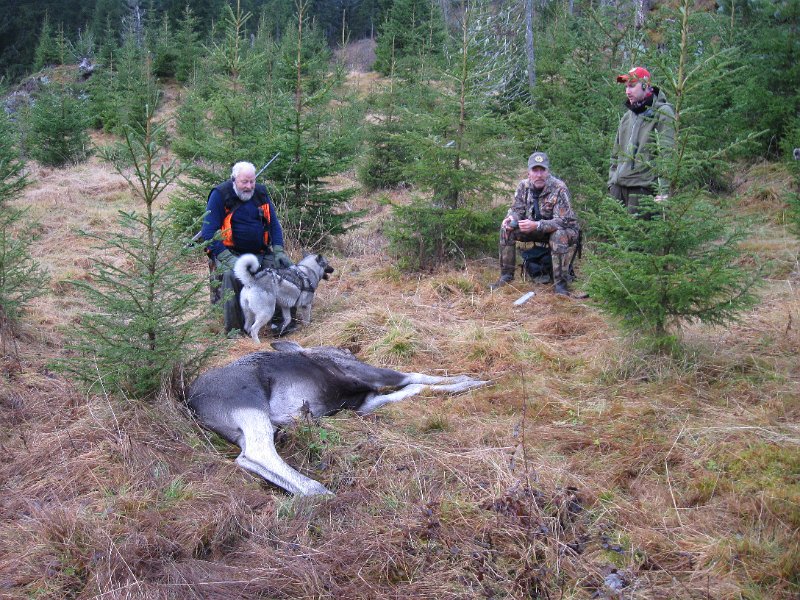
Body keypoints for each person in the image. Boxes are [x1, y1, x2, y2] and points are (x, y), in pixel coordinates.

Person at [201, 161, 292, 332]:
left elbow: (274, 226)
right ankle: (234, 330)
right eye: (244, 182)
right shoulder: (220, 195)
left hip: (260, 252)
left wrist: (278, 250)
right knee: (231, 275)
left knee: (283, 270)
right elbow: (209, 231)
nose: (249, 186)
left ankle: (281, 323)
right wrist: (228, 258)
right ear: (234, 179)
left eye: (252, 181)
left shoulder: (261, 194)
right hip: (230, 252)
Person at [489, 152, 580, 296]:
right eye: (535, 170)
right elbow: (517, 209)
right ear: (529, 172)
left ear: (548, 171)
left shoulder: (559, 188)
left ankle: (561, 285)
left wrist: (536, 225)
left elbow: (563, 221)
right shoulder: (523, 186)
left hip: (563, 230)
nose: (539, 175)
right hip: (535, 228)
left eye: (542, 170)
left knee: (559, 234)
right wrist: (510, 218)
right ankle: (506, 276)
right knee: (506, 229)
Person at [608, 66, 675, 214]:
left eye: (632, 86)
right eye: (626, 87)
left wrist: (664, 190)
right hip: (618, 189)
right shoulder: (627, 117)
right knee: (616, 236)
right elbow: (615, 154)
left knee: (638, 235)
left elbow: (667, 154)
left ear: (645, 85)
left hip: (642, 190)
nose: (627, 91)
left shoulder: (662, 112)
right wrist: (612, 182)